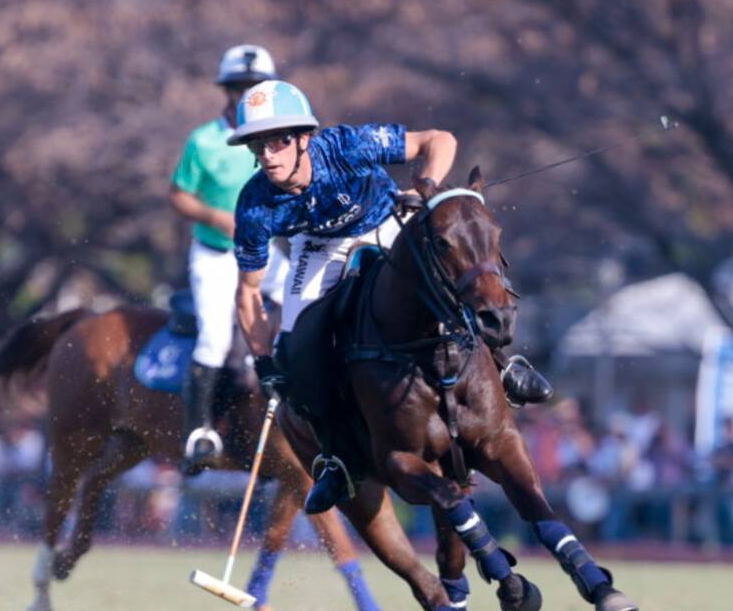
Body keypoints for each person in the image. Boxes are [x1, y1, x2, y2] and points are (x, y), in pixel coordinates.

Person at [230, 80, 552, 514]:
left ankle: (504, 366)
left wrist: (426, 186)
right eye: (257, 145)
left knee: (450, 279)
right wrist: (263, 360)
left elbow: (439, 140)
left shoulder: (345, 146)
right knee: (296, 349)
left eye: (278, 141)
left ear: (304, 137)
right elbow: (249, 292)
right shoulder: (254, 205)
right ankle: (335, 459)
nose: (267, 154)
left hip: (387, 218)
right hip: (318, 247)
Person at [171, 44, 288, 474]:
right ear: (227, 91)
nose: (247, 95)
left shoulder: (281, 138)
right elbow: (178, 195)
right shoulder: (202, 141)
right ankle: (198, 434)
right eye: (240, 87)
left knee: (310, 304)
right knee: (214, 341)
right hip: (215, 255)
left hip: (264, 251)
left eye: (255, 87)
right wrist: (215, 216)